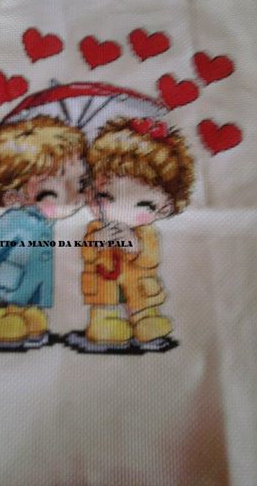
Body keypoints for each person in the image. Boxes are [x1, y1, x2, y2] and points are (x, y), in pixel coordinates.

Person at [0, 115, 88, 347]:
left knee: (28, 313)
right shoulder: (16, 220)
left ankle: (21, 312)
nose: (76, 195)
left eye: (79, 182)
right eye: (57, 188)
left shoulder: (45, 222)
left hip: (25, 286)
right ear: (14, 196)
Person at [80, 117, 194, 350]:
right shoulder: (95, 228)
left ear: (165, 208)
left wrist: (134, 245)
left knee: (144, 309)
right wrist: (97, 242)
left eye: (143, 204)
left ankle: (144, 318)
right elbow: (87, 254)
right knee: (105, 307)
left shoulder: (147, 234)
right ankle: (105, 320)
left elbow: (150, 260)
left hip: (140, 289)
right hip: (104, 287)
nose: (118, 209)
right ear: (90, 192)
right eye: (104, 197)